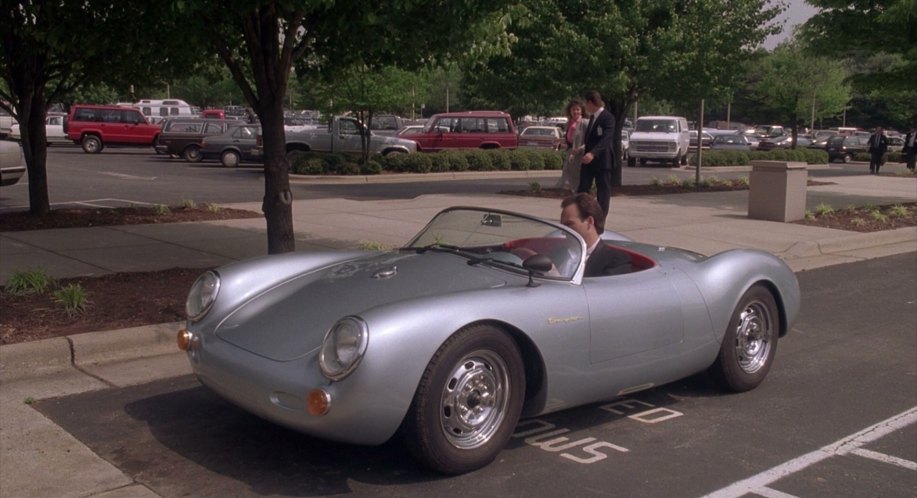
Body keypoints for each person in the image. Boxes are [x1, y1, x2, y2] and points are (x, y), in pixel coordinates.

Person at [560, 193, 631, 277]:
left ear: (590, 222)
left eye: (569, 224)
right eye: (563, 226)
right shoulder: (557, 254)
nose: (564, 232)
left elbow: (604, 289)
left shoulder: (616, 261)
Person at [578, 90, 615, 221]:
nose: (585, 107)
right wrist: (582, 149)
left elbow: (606, 139)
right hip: (588, 161)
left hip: (602, 161)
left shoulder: (607, 118)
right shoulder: (593, 117)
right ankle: (581, 214)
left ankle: (600, 220)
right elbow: (590, 139)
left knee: (603, 192)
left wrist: (593, 153)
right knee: (583, 188)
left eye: (585, 103)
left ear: (590, 102)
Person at [557, 99, 587, 192]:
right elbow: (569, 140)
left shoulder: (585, 123)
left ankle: (579, 200)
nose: (575, 111)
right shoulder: (568, 123)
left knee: (577, 181)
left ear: (581, 110)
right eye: (573, 109)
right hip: (570, 154)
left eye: (577, 109)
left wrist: (580, 149)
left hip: (580, 155)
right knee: (567, 181)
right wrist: (562, 144)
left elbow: (589, 141)